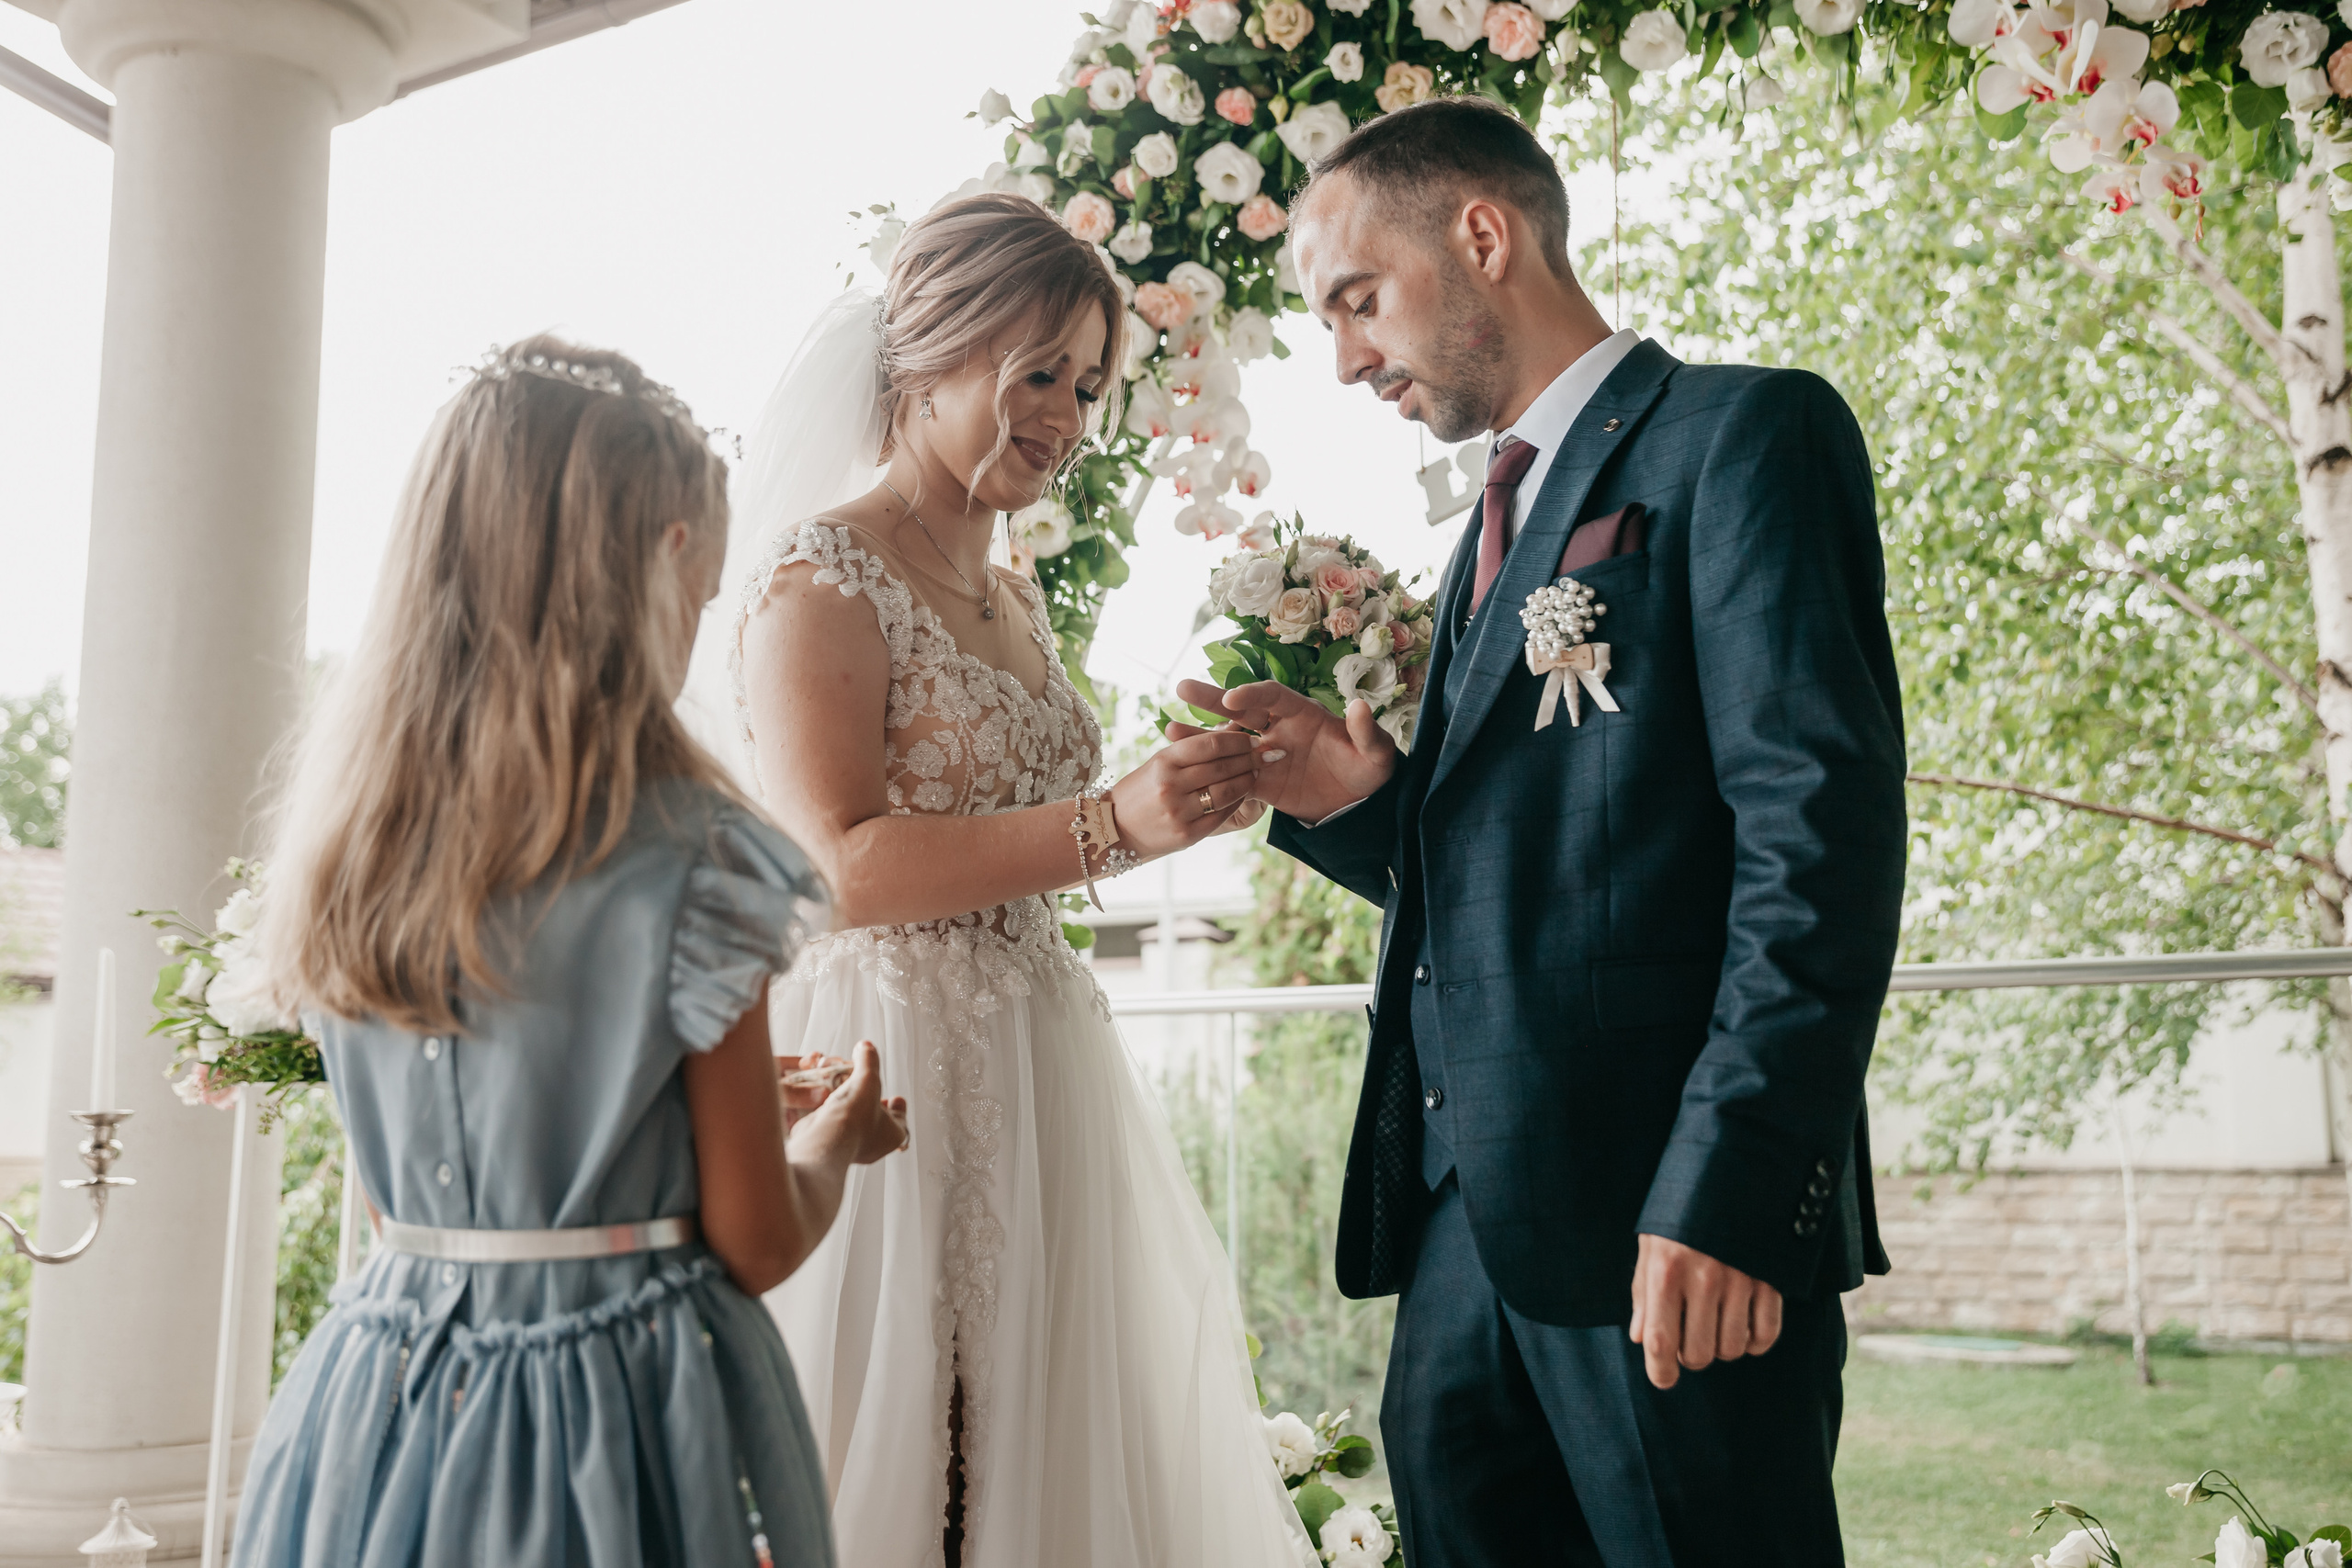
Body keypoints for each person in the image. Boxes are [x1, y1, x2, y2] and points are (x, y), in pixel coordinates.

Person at [1173, 98, 1907, 1565]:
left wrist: (1736, 1188)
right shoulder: (1492, 526)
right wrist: (1361, 807)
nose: (1345, 359)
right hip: (1467, 1243)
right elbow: (1555, 876)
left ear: (1485, 235)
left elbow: (1818, 843)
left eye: (1357, 301)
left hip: (1669, 1232)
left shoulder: (1743, 436)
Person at [233, 335, 909, 1568]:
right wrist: (828, 1139)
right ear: (665, 563)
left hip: (381, 1394)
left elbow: (426, 1194)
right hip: (613, 1412)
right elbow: (754, 1241)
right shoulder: (700, 861)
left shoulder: (352, 857)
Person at [731, 192, 1310, 1567]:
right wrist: (1107, 824)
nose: (1064, 413)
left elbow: (1058, 829)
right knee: (897, 1449)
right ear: (927, 352)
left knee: (1041, 1452)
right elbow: (834, 865)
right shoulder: (823, 574)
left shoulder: (1019, 595)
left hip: (1043, 1060)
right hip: (887, 1058)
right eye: (1036, 372)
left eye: (1089, 383)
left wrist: (1177, 806)